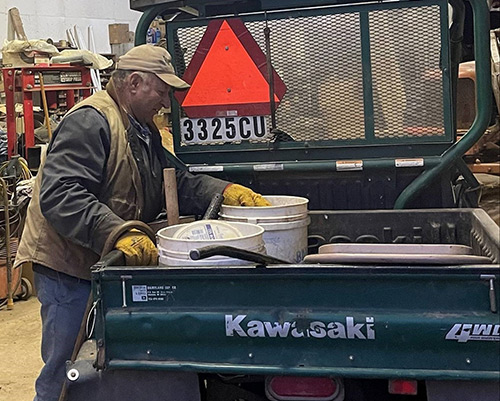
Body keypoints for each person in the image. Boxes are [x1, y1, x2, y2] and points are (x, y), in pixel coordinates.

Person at [14, 44, 270, 401]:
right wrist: (115, 232)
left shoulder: (140, 128)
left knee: (104, 368)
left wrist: (224, 191)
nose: (165, 103)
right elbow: (61, 195)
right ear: (133, 82)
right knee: (67, 370)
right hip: (69, 270)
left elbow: (176, 179)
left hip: (107, 264)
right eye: (162, 92)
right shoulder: (91, 122)